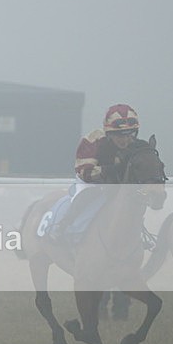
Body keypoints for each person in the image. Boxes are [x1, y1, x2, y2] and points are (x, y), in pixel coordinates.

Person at [49, 103, 150, 241]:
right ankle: (62, 226)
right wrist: (112, 170)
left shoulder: (134, 145)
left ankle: (140, 233)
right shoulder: (93, 140)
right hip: (90, 182)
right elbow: (85, 173)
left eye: (129, 134)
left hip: (116, 182)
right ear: (109, 133)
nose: (125, 140)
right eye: (119, 135)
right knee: (87, 195)